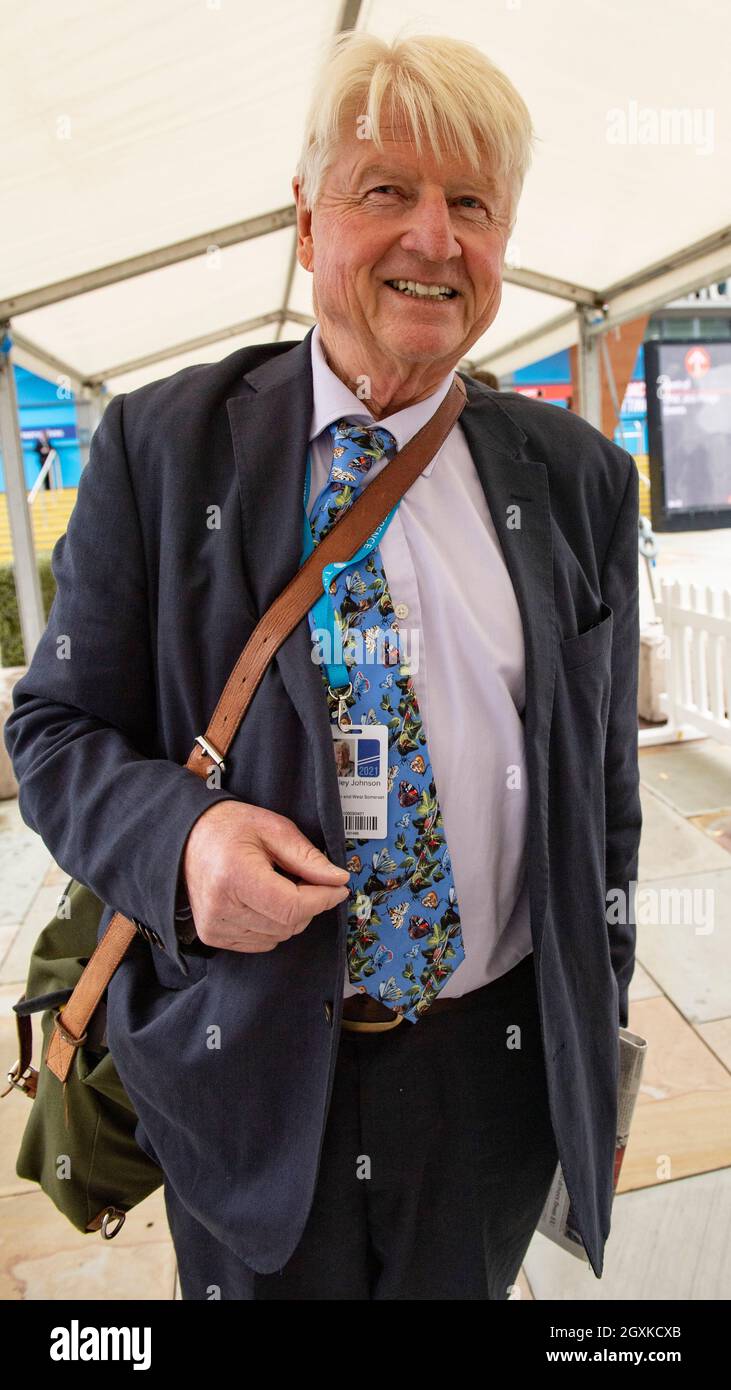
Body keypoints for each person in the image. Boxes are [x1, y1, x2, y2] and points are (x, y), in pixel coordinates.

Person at [4, 31, 641, 1300]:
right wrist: (184, 846)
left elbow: (603, 794)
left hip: (490, 1080)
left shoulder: (574, 480)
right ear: (307, 224)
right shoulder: (161, 447)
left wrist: (590, 1010)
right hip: (245, 1073)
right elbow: (56, 732)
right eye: (385, 190)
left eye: (471, 203)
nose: (433, 236)